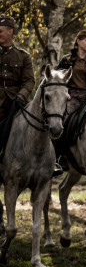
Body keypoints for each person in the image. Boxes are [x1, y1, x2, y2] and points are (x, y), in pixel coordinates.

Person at [54, 29, 86, 176]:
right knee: (62, 121)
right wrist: (64, 93)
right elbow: (58, 77)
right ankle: (59, 157)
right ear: (78, 41)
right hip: (70, 97)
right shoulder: (67, 60)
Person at [0, 16, 35, 171]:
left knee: (41, 123)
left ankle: (46, 163)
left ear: (10, 32)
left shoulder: (23, 56)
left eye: (0, 31)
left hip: (17, 102)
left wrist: (22, 95)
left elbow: (29, 81)